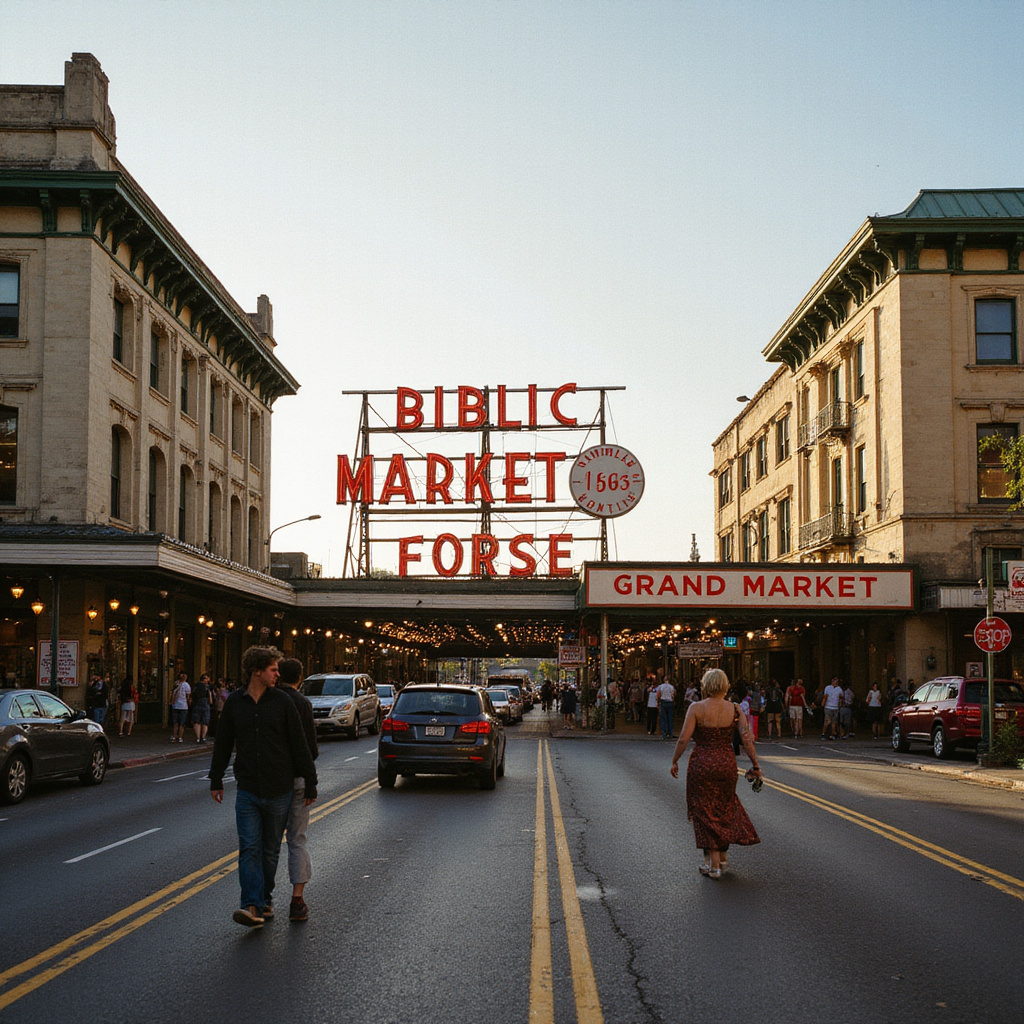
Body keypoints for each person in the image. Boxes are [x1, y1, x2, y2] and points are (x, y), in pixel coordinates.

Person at [209, 646, 318, 928]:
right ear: (257, 670)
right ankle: (252, 905)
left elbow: (300, 745)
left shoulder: (283, 702)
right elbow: (223, 742)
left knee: (270, 850)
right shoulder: (235, 703)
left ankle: (265, 899)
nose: (277, 674)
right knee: (249, 848)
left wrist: (310, 783)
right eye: (273, 669)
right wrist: (216, 777)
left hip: (279, 788)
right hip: (247, 789)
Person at [670, 668, 761, 878]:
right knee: (723, 807)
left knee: (703, 810)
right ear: (725, 686)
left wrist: (675, 760)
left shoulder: (696, 708)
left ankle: (713, 865)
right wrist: (755, 765)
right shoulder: (736, 709)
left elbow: (683, 739)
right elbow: (746, 739)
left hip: (701, 762)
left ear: (705, 685)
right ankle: (722, 856)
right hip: (726, 762)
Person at [275, 657, 318, 922]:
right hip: (299, 779)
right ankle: (297, 900)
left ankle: (263, 901)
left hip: (273, 781)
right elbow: (311, 750)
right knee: (297, 839)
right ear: (300, 678)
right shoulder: (302, 703)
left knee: (268, 842)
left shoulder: (270, 700)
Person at [169, 672, 190, 743]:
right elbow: (188, 695)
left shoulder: (176, 684)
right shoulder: (186, 685)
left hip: (175, 705)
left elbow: (172, 693)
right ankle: (180, 737)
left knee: (175, 722)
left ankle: (174, 736)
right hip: (183, 706)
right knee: (182, 723)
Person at [191, 673, 212, 743]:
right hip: (205, 704)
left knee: (196, 722)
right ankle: (203, 737)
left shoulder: (196, 686)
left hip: (196, 704)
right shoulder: (207, 687)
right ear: (205, 679)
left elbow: (192, 696)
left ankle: (197, 737)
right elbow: (210, 698)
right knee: (204, 722)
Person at [657, 671, 676, 740]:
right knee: (670, 718)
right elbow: (674, 694)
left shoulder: (661, 686)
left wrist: (657, 702)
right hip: (670, 702)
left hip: (663, 702)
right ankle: (670, 732)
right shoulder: (671, 687)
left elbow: (658, 694)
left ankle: (664, 733)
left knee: (663, 718)